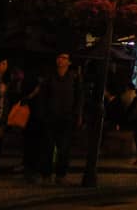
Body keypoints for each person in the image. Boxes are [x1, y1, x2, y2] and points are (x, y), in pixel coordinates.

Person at [36, 52, 82, 184]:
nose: (61, 60)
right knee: (48, 147)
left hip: (66, 118)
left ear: (69, 62)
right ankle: (46, 174)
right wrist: (43, 114)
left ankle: (61, 174)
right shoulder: (50, 77)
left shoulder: (73, 78)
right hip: (51, 117)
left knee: (64, 148)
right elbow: (43, 96)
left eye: (64, 58)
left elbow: (79, 97)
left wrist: (77, 114)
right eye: (59, 58)